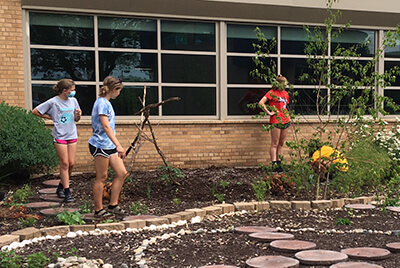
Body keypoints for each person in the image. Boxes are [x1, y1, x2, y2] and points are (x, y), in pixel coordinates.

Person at [32, 79, 82, 203]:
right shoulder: (53, 102)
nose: (74, 92)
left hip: (72, 134)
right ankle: (67, 192)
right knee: (64, 163)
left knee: (71, 164)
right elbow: (35, 111)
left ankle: (61, 185)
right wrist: (50, 117)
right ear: (64, 91)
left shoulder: (73, 101)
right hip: (60, 135)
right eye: (72, 90)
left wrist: (78, 115)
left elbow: (76, 119)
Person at [89, 76, 128, 218]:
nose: (119, 93)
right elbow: (105, 126)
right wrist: (119, 145)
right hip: (100, 145)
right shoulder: (101, 103)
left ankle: (113, 205)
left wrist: (115, 145)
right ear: (113, 89)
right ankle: (99, 210)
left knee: (122, 173)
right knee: (102, 177)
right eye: (119, 90)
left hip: (109, 145)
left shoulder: (107, 103)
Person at [258, 74, 290, 173]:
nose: (285, 86)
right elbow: (261, 103)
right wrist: (269, 112)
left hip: (285, 120)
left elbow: (285, 106)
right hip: (276, 120)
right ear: (279, 84)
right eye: (284, 84)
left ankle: (279, 163)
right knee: (275, 143)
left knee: (281, 143)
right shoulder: (272, 93)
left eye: (286, 84)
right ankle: (274, 163)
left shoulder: (285, 94)